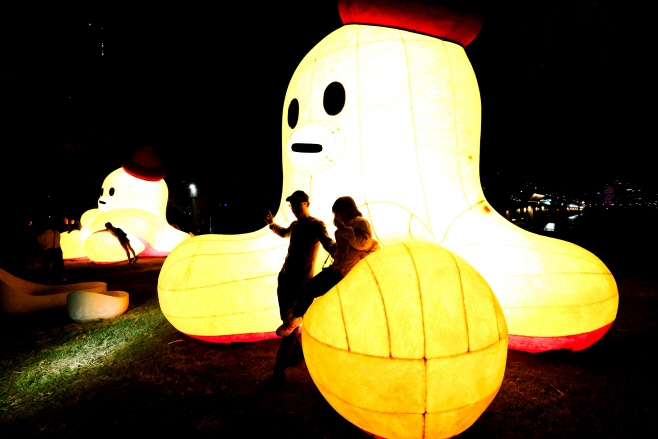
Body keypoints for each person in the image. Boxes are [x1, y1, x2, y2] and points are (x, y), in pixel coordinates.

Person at [277, 196, 380, 337]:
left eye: (337, 212)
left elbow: (363, 244)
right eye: (334, 213)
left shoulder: (360, 223)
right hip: (338, 269)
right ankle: (295, 319)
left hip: (352, 272)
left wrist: (345, 230)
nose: (336, 216)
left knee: (344, 305)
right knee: (310, 288)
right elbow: (343, 249)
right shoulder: (299, 225)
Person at [265, 190, 335, 388]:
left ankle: (279, 369)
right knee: (287, 321)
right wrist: (272, 225)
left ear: (307, 204)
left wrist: (342, 253)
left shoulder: (316, 225)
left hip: (301, 283)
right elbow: (284, 233)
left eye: (298, 205)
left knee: (291, 323)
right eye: (292, 206)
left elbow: (327, 243)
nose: (295, 209)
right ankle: (296, 353)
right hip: (285, 278)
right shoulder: (295, 225)